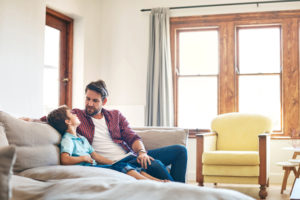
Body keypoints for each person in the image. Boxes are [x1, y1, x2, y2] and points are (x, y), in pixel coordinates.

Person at [24, 80, 187, 182]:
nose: (89, 104)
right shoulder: (77, 116)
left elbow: (132, 136)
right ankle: (181, 193)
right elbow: (53, 117)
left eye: (95, 101)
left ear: (104, 101)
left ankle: (181, 189)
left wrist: (142, 152)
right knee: (156, 165)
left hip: (131, 156)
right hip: (115, 163)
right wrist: (32, 120)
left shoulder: (115, 115)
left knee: (180, 151)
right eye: (87, 99)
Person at [47, 105, 167, 182]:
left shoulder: (81, 139)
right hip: (88, 169)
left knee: (126, 166)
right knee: (122, 167)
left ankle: (157, 181)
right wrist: (82, 158)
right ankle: (150, 182)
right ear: (68, 121)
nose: (75, 114)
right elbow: (65, 159)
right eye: (72, 114)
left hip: (94, 166)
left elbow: (96, 156)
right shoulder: (68, 139)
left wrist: (113, 162)